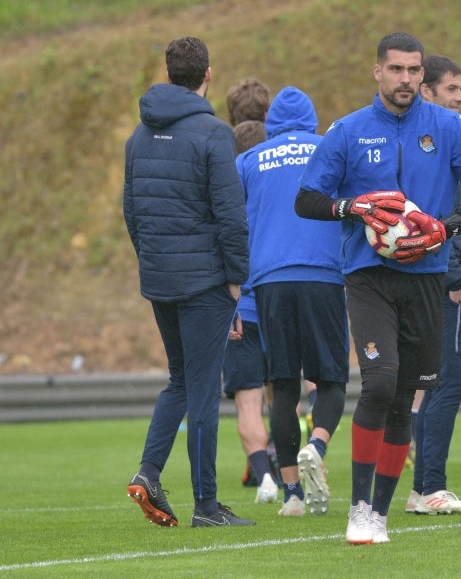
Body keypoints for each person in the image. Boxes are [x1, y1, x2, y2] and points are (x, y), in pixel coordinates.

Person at [294, 32, 461, 545]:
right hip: (368, 275)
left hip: (427, 277)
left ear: (421, 76)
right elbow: (307, 198)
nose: (405, 79)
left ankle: (380, 515)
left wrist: (446, 227)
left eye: (413, 70)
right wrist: (352, 208)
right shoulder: (348, 130)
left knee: (406, 393)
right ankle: (358, 508)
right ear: (377, 72)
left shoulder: (448, 128)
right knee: (380, 383)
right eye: (396, 69)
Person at [123, 36, 254, 528]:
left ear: (168, 72)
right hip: (205, 283)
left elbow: (132, 212)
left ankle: (148, 472)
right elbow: (230, 214)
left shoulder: (138, 137)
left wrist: (153, 261)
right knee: (202, 390)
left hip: (160, 279)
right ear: (208, 74)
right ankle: (207, 506)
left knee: (179, 381)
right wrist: (237, 279)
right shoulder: (214, 133)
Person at [236, 86, 348, 518]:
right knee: (331, 381)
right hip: (323, 276)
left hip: (270, 282)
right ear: (312, 120)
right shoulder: (330, 150)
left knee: (282, 388)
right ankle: (316, 446)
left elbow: (232, 225)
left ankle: (292, 496)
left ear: (271, 124)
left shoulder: (249, 160)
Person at [405, 54, 461, 515]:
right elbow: (431, 216)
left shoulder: (440, 135)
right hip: (443, 280)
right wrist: (456, 276)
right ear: (427, 91)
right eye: (452, 89)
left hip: (436, 275)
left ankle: (420, 490)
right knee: (450, 381)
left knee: (433, 383)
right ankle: (432, 485)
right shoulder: (431, 142)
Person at [224, 118, 280, 506]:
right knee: (284, 395)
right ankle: (287, 464)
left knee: (248, 401)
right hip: (277, 303)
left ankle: (264, 477)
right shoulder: (278, 193)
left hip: (241, 307)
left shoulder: (227, 195)